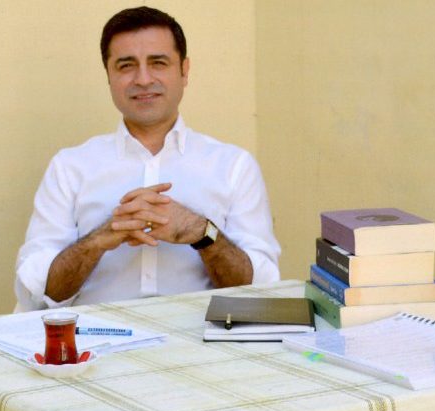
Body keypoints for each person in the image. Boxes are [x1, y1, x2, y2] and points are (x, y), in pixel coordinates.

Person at [14, 6, 280, 312]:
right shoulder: (69, 168)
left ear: (184, 71)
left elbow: (262, 291)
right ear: (109, 76)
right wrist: (100, 238)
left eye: (158, 63)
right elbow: (36, 294)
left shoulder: (234, 167)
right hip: (93, 335)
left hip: (201, 335)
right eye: (126, 65)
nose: (142, 79)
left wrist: (201, 232)